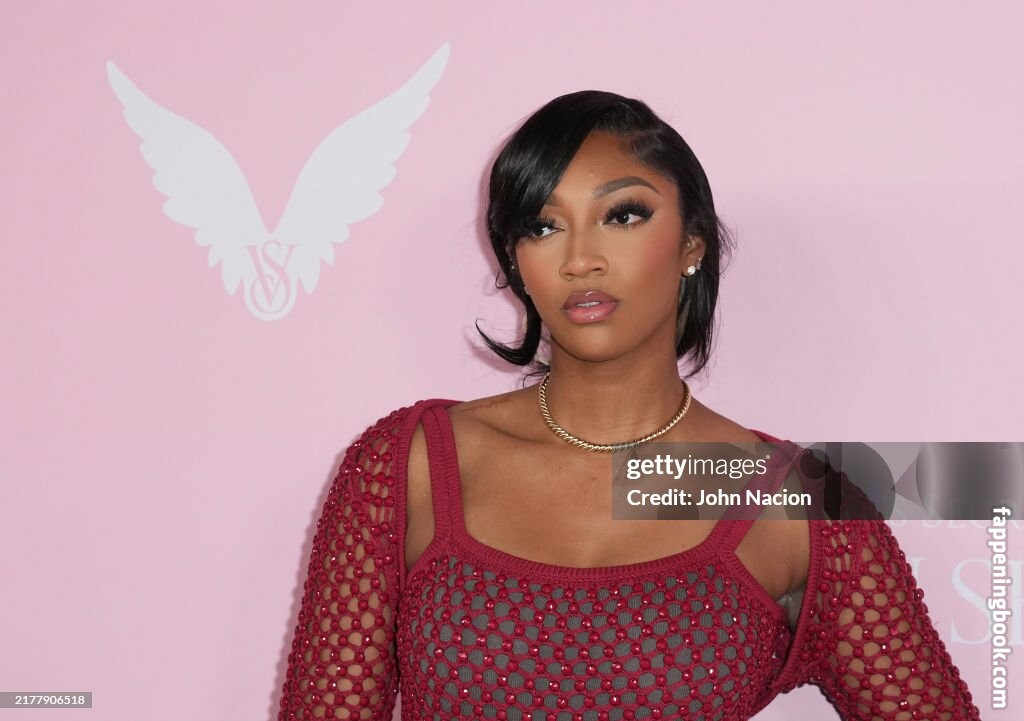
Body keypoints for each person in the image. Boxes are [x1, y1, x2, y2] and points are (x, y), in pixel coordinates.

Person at [276, 91, 981, 720]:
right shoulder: (407, 468)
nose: (580, 258)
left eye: (622, 215)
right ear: (514, 260)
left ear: (692, 244)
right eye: (543, 226)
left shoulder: (798, 505)